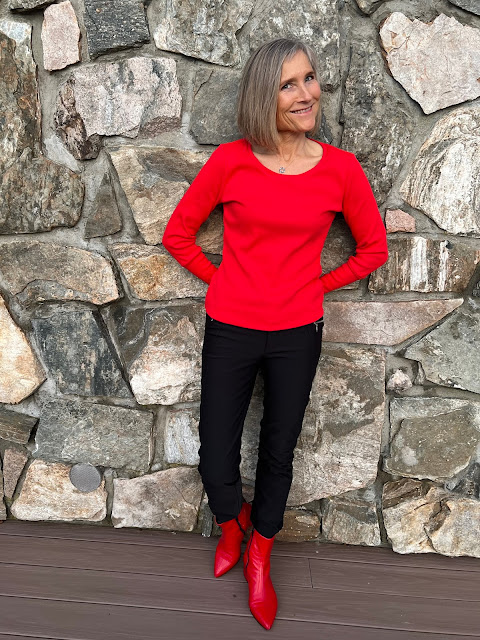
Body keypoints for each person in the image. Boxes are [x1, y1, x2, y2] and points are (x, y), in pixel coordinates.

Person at [162, 38, 388, 630]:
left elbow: (373, 250)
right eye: (289, 84)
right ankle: (230, 524)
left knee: (278, 450)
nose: (306, 93)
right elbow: (177, 235)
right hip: (231, 327)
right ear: (265, 95)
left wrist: (317, 285)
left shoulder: (340, 170)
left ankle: (260, 552)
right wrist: (224, 279)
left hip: (297, 333)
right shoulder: (230, 162)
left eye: (309, 78)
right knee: (215, 454)